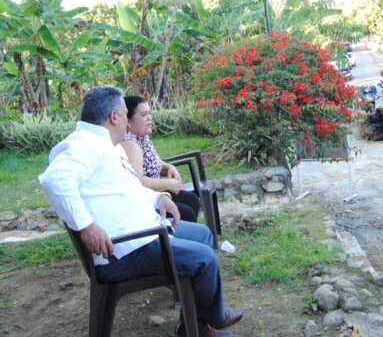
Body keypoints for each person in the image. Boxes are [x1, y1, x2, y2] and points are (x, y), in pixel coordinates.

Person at [39, 86, 242, 336]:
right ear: (114, 117)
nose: (127, 121)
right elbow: (55, 180)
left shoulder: (107, 144)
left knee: (203, 235)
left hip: (145, 233)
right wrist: (87, 227)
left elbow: (129, 186)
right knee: (204, 258)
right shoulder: (84, 144)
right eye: (126, 114)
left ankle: (193, 322)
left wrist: (158, 197)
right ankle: (211, 319)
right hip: (125, 250)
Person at [121, 95, 200, 223]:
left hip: (156, 191)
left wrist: (168, 167)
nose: (149, 118)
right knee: (187, 213)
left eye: (150, 113)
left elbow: (152, 162)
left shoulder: (142, 137)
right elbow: (139, 182)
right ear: (128, 121)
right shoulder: (129, 144)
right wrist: (169, 184)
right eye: (144, 115)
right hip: (144, 198)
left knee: (191, 200)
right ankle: (176, 234)